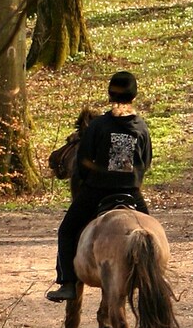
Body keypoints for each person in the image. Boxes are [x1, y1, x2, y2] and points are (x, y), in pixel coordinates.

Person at [46, 72, 153, 302]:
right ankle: (151, 281)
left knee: (67, 230)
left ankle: (67, 282)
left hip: (98, 191)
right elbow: (145, 163)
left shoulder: (98, 126)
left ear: (110, 96)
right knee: (150, 235)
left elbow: (84, 162)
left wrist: (89, 180)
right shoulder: (141, 127)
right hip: (131, 192)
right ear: (134, 96)